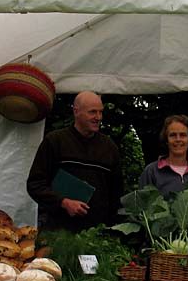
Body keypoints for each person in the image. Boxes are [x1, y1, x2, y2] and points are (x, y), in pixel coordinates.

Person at [27, 90, 123, 231]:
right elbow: (35, 184)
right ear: (76, 112)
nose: (98, 117)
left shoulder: (110, 148)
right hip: (58, 233)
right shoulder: (55, 141)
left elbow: (117, 196)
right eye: (92, 112)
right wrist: (63, 202)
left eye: (101, 112)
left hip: (96, 235)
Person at [139, 114, 188, 197]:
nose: (178, 139)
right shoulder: (151, 172)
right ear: (166, 140)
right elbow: (143, 205)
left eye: (183, 135)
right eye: (173, 135)